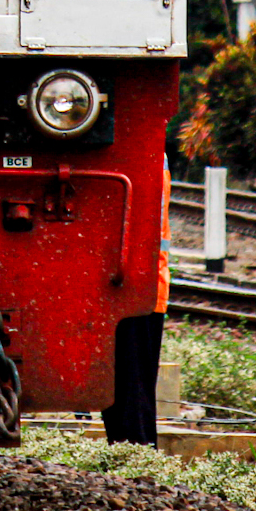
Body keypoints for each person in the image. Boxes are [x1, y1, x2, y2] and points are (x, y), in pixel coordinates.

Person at [102, 154, 171, 445]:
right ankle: (131, 461)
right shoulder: (154, 153)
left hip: (138, 286)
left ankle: (137, 464)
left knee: (132, 396)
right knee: (126, 393)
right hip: (136, 285)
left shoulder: (150, 155)